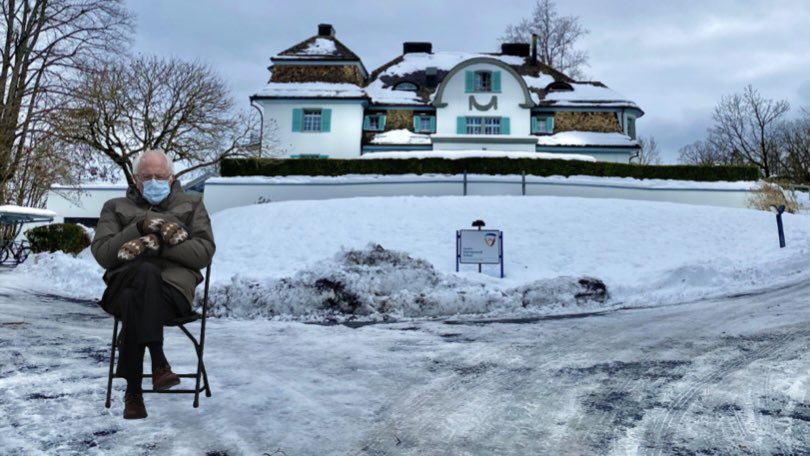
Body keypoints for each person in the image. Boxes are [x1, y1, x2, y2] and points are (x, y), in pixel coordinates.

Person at [91, 149, 215, 420]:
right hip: (122, 285)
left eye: (160, 176)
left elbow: (203, 252)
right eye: (147, 177)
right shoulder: (115, 207)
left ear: (171, 178)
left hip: (171, 294)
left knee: (139, 287)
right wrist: (139, 228)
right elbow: (103, 254)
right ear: (136, 180)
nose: (154, 181)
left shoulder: (192, 205)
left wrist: (157, 247)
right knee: (142, 277)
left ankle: (133, 392)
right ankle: (159, 362)